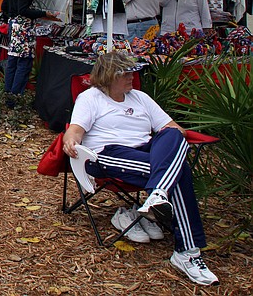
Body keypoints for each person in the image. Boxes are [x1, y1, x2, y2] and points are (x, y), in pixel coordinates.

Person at [62, 51, 218, 286]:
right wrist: (69, 140)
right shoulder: (90, 98)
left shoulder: (141, 98)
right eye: (125, 73)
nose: (132, 76)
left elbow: (172, 128)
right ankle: (187, 251)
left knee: (173, 133)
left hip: (146, 151)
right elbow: (75, 130)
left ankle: (158, 194)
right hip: (107, 154)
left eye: (133, 71)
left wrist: (171, 137)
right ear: (108, 76)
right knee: (180, 170)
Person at [0, 0, 58, 103]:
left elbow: (4, 7)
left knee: (13, 60)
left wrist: (12, 19)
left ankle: (8, 95)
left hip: (14, 26)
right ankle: (16, 98)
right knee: (24, 63)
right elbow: (23, 10)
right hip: (24, 29)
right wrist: (44, 13)